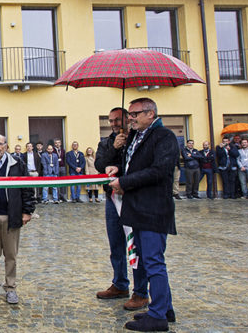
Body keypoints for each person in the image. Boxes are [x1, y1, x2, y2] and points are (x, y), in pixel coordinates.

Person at [106, 98, 178, 331]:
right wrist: (118, 169)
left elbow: (159, 171)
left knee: (154, 262)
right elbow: (136, 166)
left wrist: (124, 182)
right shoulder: (137, 137)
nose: (131, 118)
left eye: (136, 114)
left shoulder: (164, 137)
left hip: (153, 210)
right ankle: (164, 308)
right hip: (137, 209)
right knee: (147, 262)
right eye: (130, 114)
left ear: (151, 113)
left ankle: (157, 317)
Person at [94, 107, 148, 311]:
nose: (115, 124)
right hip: (112, 198)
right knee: (116, 244)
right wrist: (114, 149)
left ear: (128, 119)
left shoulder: (137, 140)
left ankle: (141, 291)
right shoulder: (106, 142)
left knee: (136, 245)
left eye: (118, 120)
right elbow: (100, 164)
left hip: (133, 199)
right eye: (111, 121)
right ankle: (120, 284)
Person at [0, 134, 35, 304]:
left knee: (11, 255)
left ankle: (10, 287)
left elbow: (27, 188)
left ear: (6, 146)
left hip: (12, 216)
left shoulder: (18, 164)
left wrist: (27, 211)